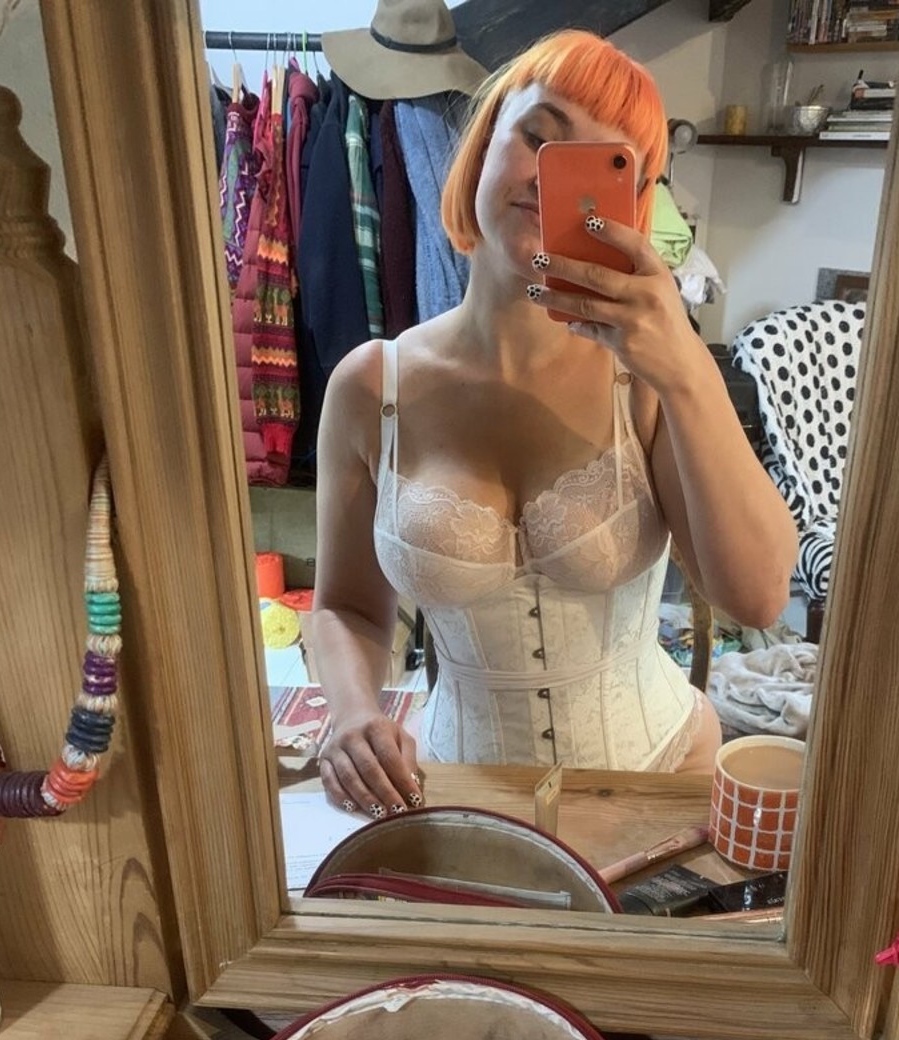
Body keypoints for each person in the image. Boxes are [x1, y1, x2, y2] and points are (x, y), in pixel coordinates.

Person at [313, 30, 797, 818]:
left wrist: (686, 367)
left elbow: (760, 596)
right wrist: (353, 710)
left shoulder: (646, 378)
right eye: (537, 137)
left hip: (655, 782)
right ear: (481, 147)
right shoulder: (372, 387)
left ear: (632, 207)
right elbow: (346, 607)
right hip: (456, 792)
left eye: (602, 168)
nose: (548, 179)